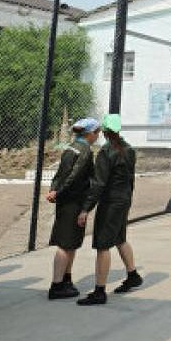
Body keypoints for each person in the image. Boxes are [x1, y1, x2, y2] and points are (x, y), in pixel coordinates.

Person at [76, 114, 140, 306]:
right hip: (124, 199)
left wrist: (86, 208)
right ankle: (133, 275)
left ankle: (99, 291)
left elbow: (99, 183)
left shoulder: (106, 152)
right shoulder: (129, 149)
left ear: (104, 131)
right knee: (120, 238)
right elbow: (130, 178)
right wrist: (127, 197)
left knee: (102, 245)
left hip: (111, 202)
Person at [47, 118, 99, 300]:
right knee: (65, 244)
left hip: (65, 201)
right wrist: (59, 192)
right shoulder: (85, 151)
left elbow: (59, 174)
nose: (98, 136)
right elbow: (73, 176)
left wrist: (54, 190)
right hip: (74, 202)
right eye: (97, 132)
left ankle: (66, 279)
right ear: (90, 133)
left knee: (71, 243)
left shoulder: (70, 147)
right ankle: (56, 285)